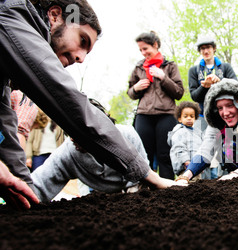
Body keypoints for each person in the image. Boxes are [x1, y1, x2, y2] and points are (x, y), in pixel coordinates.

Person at [0, 0, 183, 209]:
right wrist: (149, 175)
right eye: (82, 40)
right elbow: (68, 100)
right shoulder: (11, 19)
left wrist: (22, 192)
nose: (80, 58)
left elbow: (4, 129)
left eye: (87, 51)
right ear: (54, 15)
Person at [30, 99, 163, 202]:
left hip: (132, 192)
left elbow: (145, 175)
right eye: (72, 133)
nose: (74, 139)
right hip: (97, 197)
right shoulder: (68, 153)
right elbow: (39, 185)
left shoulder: (128, 135)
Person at [127, 30, 184, 180]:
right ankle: (145, 190)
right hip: (144, 115)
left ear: (155, 45)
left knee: (165, 155)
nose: (143, 53)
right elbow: (130, 92)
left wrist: (163, 77)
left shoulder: (170, 66)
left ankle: (167, 191)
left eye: (145, 48)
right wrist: (136, 88)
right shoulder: (139, 68)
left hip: (166, 115)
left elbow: (179, 93)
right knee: (144, 155)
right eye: (140, 50)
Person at [188, 35, 238, 129]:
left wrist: (220, 82)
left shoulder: (226, 67)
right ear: (199, 51)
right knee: (203, 142)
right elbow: (194, 96)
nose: (206, 51)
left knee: (229, 142)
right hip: (202, 116)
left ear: (214, 48)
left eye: (208, 47)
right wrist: (204, 87)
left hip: (226, 115)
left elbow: (236, 86)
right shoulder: (194, 70)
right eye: (202, 48)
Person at [167, 101, 203, 178]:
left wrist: (200, 164)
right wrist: (185, 161)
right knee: (186, 184)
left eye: (192, 116)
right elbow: (178, 148)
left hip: (196, 168)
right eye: (185, 116)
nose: (189, 118)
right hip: (185, 168)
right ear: (180, 119)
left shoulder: (197, 133)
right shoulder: (179, 132)